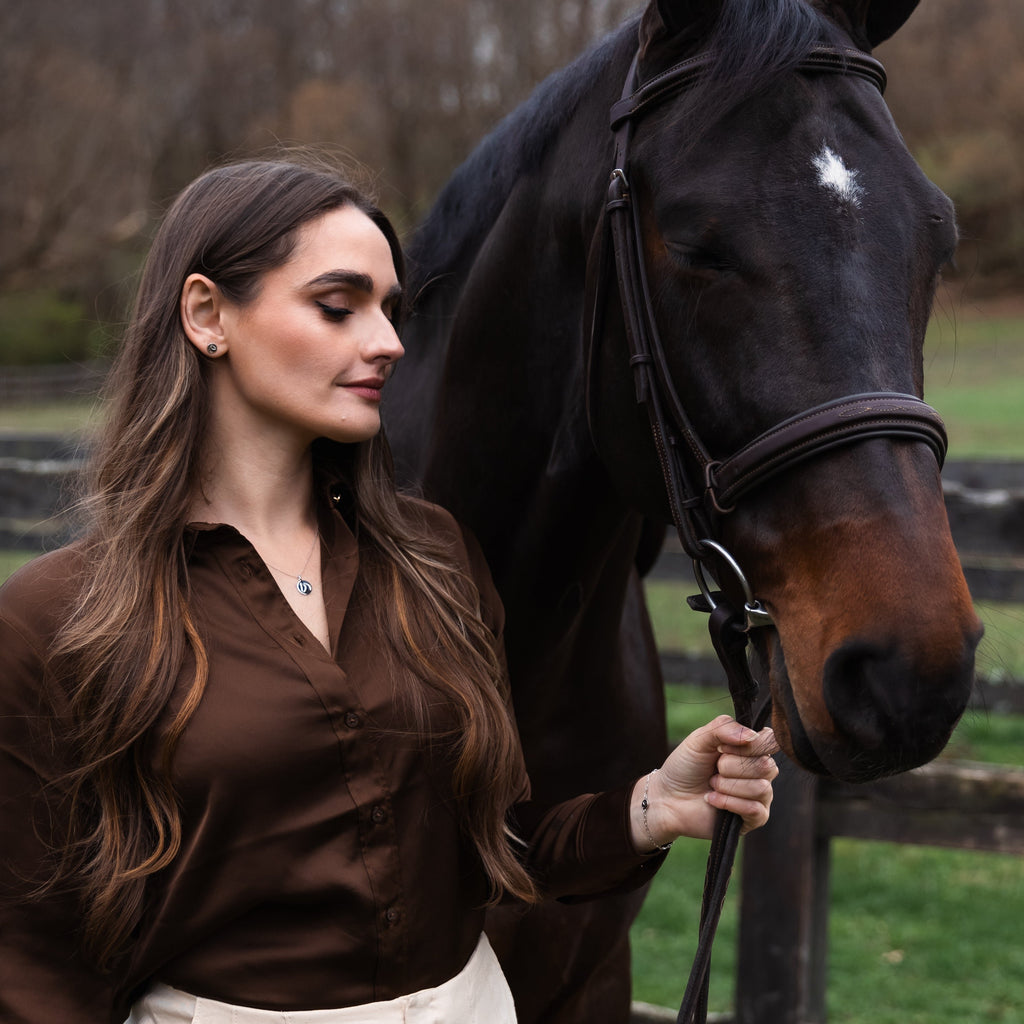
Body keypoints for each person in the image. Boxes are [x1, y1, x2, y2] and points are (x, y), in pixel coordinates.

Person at [0, 157, 779, 1024]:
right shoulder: (59, 619)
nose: (389, 342)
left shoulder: (435, 559)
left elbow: (488, 842)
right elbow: (34, 958)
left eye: (392, 310)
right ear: (207, 313)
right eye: (339, 306)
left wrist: (651, 806)